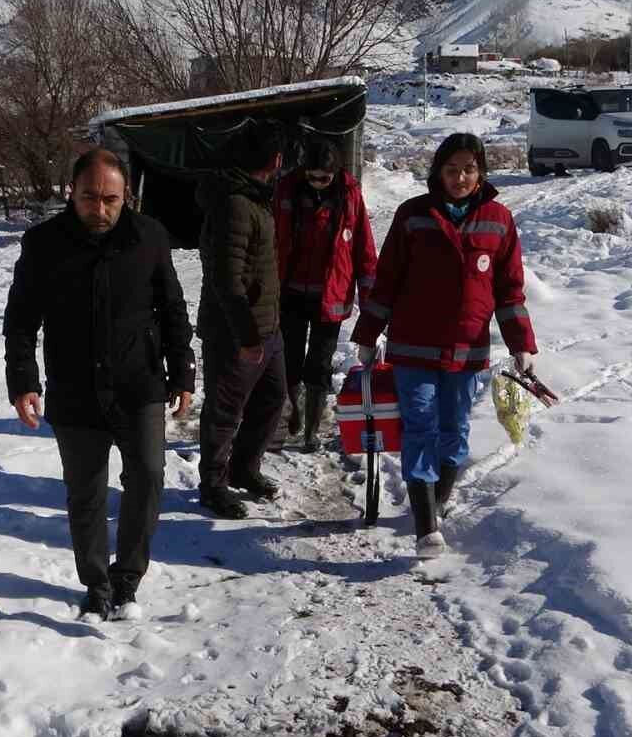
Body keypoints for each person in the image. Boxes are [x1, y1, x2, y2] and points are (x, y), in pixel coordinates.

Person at [3, 148, 196, 621]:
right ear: (72, 192)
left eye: (111, 198)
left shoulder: (148, 236)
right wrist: (23, 381)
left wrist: (183, 371)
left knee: (148, 478)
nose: (101, 208)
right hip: (75, 389)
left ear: (125, 194)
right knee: (86, 493)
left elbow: (172, 308)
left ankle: (128, 575)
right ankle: (96, 583)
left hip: (140, 382)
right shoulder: (44, 243)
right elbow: (21, 320)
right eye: (90, 197)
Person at [351, 133, 538, 556]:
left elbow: (510, 292)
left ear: (481, 172)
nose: (460, 177)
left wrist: (521, 344)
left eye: (469, 169)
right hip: (413, 346)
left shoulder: (498, 219)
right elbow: (388, 280)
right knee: (419, 427)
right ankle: (425, 528)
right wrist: (367, 334)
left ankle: (435, 505)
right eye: (451, 169)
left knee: (455, 431)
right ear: (438, 171)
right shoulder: (413, 215)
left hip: (467, 349)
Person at [195, 122, 289, 519]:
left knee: (272, 398)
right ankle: (213, 485)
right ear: (276, 160)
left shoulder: (254, 197)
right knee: (225, 410)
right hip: (236, 332)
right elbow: (226, 278)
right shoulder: (236, 202)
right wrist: (247, 334)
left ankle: (244, 468)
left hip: (268, 327)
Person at [273, 137, 377, 452]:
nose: (318, 183)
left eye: (325, 178)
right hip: (290, 291)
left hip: (330, 296)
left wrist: (370, 301)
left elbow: (364, 251)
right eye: (312, 176)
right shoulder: (288, 192)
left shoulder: (349, 198)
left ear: (335, 174)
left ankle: (311, 430)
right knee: (288, 359)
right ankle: (291, 415)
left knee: (318, 364)